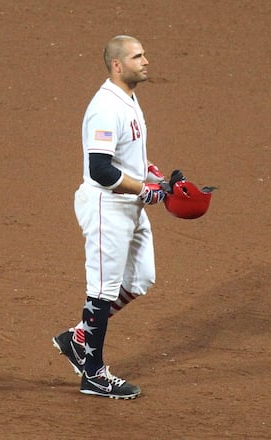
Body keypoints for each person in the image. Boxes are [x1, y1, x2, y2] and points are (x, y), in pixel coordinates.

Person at [51, 35, 168, 399]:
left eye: (145, 54)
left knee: (141, 277)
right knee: (101, 291)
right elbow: (101, 169)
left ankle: (77, 338)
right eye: (137, 56)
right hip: (107, 206)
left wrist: (152, 175)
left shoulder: (129, 99)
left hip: (128, 204)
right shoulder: (106, 107)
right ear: (117, 65)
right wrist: (145, 191)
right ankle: (93, 374)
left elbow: (123, 156)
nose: (146, 60)